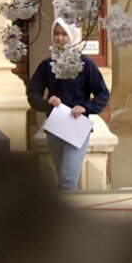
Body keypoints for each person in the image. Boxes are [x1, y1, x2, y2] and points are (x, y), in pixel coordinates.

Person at [27, 19, 110, 191]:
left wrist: (86, 107)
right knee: (64, 180)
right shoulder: (47, 66)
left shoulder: (86, 65)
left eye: (64, 34)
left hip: (78, 126)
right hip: (56, 126)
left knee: (67, 180)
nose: (59, 38)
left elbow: (103, 93)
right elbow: (33, 94)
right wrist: (46, 103)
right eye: (56, 34)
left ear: (72, 36)